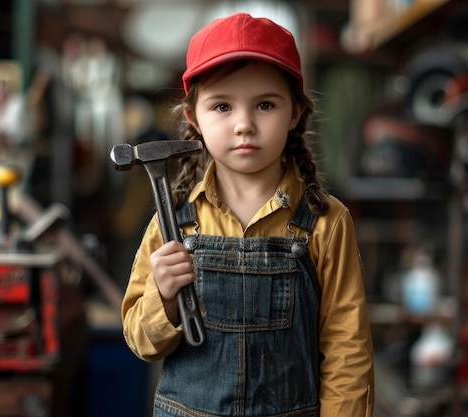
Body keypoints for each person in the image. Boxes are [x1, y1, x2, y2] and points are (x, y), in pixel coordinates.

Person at [122, 12, 374, 417]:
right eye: (222, 105)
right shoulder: (175, 223)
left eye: (265, 105)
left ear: (294, 113)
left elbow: (348, 351)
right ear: (194, 119)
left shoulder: (325, 222)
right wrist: (163, 297)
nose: (244, 125)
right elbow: (141, 343)